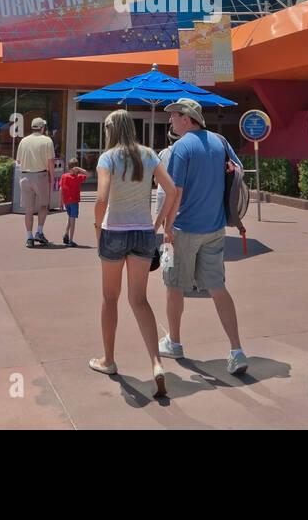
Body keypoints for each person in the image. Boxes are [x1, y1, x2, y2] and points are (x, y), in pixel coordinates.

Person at [88, 109, 177, 398]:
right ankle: (156, 364)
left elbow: (101, 198)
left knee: (109, 298)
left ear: (111, 130)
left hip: (114, 231)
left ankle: (109, 360)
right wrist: (158, 223)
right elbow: (172, 190)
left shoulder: (108, 158)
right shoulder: (149, 154)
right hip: (142, 233)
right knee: (139, 300)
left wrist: (97, 228)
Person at [157, 98, 249, 377]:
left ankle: (174, 342)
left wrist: (165, 228)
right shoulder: (220, 142)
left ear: (186, 118)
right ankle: (236, 350)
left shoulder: (182, 147)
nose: (170, 121)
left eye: (173, 116)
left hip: (184, 228)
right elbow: (239, 173)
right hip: (215, 228)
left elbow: (176, 193)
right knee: (218, 288)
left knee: (174, 285)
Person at [17, 117, 56, 247]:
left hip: (25, 176)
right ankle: (39, 231)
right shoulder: (47, 141)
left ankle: (29, 237)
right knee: (43, 205)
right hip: (40, 176)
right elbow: (51, 162)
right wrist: (52, 177)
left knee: (29, 209)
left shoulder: (23, 141)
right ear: (42, 127)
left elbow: (18, 161)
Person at [60, 158, 87, 247]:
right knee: (73, 220)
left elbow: (61, 189)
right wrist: (80, 169)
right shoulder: (78, 177)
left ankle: (66, 233)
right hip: (74, 201)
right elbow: (87, 174)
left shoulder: (64, 176)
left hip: (66, 201)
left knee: (70, 217)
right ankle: (71, 240)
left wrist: (61, 202)